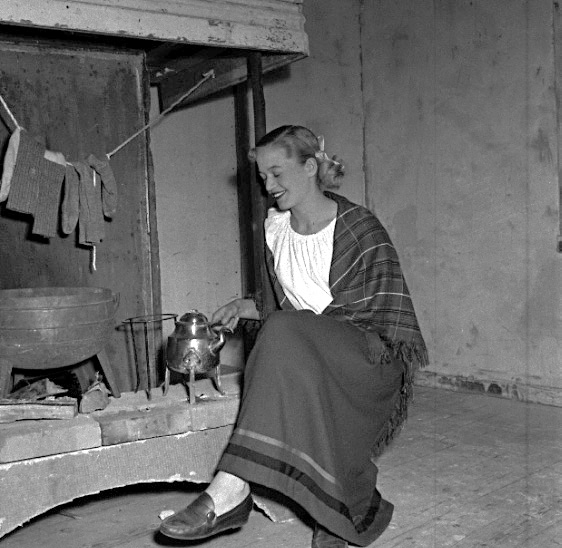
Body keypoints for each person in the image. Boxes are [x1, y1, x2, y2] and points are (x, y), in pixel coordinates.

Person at [159, 125, 428, 547]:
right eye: (262, 176)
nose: (268, 185)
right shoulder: (276, 230)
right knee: (282, 338)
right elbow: (287, 305)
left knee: (283, 333)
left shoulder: (359, 228)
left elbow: (372, 316)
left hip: (370, 358)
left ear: (310, 167)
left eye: (277, 173)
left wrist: (287, 325)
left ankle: (230, 491)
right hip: (310, 347)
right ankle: (335, 513)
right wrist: (247, 306)